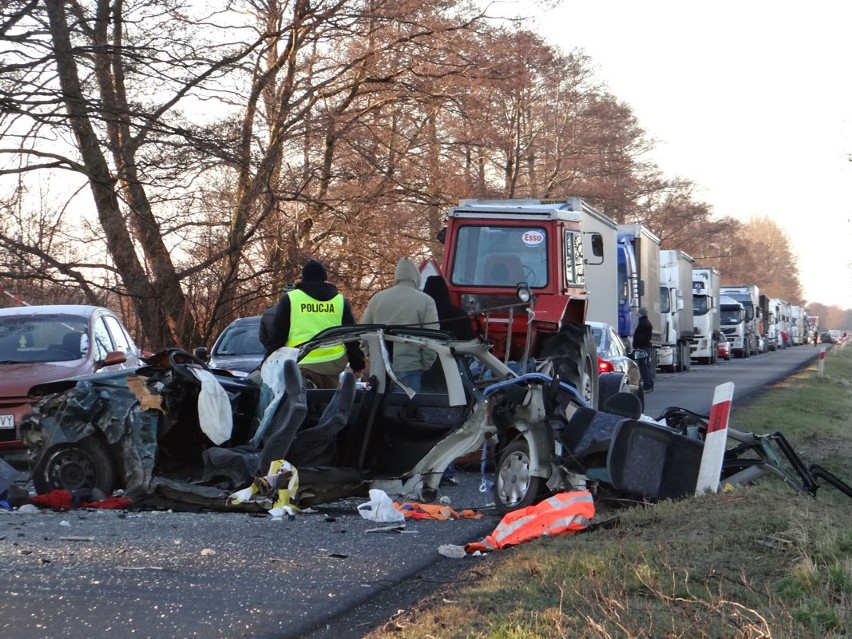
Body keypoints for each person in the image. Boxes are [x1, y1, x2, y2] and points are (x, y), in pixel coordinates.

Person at [264, 260, 365, 388]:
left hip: (301, 361)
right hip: (332, 364)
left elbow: (279, 335)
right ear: (324, 278)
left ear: (303, 277)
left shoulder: (291, 299)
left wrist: (268, 360)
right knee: (329, 404)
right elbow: (350, 336)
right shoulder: (340, 301)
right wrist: (357, 362)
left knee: (301, 403)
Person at [360, 258, 439, 392]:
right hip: (411, 366)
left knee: (379, 409)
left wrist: (373, 357)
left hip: (380, 367)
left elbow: (364, 333)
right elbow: (432, 338)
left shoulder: (377, 299)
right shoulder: (426, 301)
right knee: (406, 409)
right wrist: (425, 364)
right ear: (416, 276)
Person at [422, 275, 475, 340]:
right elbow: (470, 341)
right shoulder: (460, 315)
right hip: (456, 349)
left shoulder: (422, 313)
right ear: (445, 290)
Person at [633, 306, 654, 393]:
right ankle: (650, 384)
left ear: (641, 313)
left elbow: (639, 337)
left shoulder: (642, 324)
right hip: (646, 346)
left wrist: (635, 345)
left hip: (642, 347)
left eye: (638, 312)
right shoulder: (647, 323)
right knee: (646, 366)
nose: (637, 314)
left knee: (643, 366)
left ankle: (647, 386)